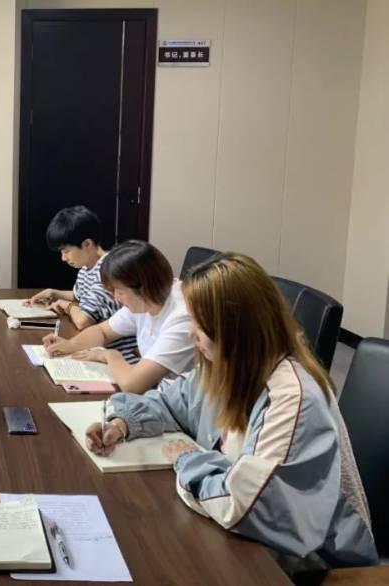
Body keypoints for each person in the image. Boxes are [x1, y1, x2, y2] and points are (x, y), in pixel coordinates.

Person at [85, 253, 378, 571]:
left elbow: (245, 505)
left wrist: (188, 460)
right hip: (252, 540)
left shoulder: (294, 397)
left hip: (314, 561)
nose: (191, 333)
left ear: (234, 329)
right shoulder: (228, 365)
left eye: (199, 324)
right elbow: (170, 402)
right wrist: (122, 423)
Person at [44, 240, 194, 392]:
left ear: (143, 287)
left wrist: (110, 356)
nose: (116, 298)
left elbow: (132, 384)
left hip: (175, 400)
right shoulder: (148, 298)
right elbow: (102, 331)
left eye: (119, 291)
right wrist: (71, 345)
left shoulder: (182, 318)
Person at [26, 206, 139, 362]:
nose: (63, 258)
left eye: (66, 251)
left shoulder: (108, 271)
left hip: (118, 355)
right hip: (98, 347)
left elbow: (83, 321)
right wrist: (53, 293)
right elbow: (80, 295)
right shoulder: (87, 267)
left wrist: (68, 306)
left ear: (87, 244)